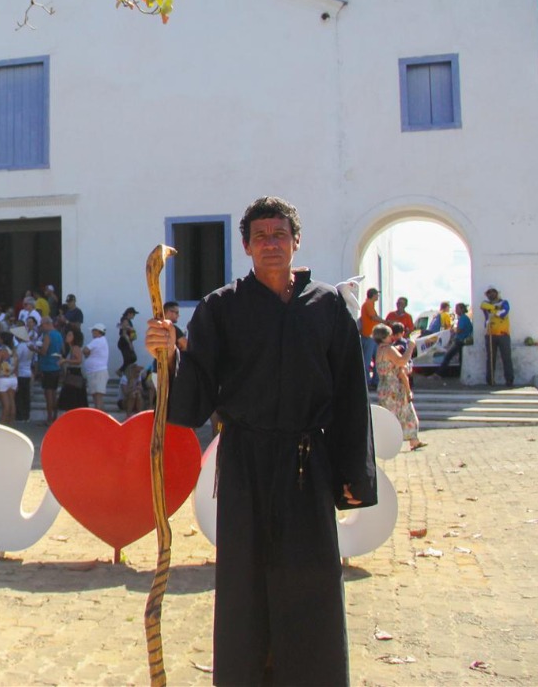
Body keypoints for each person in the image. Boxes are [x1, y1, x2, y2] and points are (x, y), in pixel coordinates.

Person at [146, 195, 376, 686]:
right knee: (245, 584)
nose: (270, 244)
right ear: (247, 247)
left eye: (279, 234)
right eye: (260, 236)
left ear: (296, 241)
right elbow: (195, 399)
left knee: (311, 580)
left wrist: (353, 479)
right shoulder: (220, 308)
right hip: (245, 463)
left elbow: (350, 397)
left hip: (306, 462)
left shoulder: (328, 306)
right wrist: (169, 358)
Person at [373, 324, 426, 450]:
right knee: (407, 413)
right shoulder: (389, 349)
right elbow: (401, 362)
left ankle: (392, 442)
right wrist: (411, 347)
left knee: (389, 416)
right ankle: (412, 439)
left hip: (383, 387)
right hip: (395, 387)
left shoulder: (379, 350)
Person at [480, 287, 514, 387]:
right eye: (488, 293)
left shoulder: (504, 302)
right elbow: (483, 305)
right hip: (490, 334)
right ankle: (490, 380)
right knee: (490, 358)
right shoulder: (486, 303)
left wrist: (493, 310)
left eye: (493, 292)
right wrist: (495, 308)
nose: (491, 294)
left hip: (503, 334)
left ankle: (509, 380)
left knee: (506, 358)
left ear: (497, 293)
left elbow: (503, 313)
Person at [35, 316, 64, 423]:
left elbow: (43, 351)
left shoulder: (48, 335)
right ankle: (55, 416)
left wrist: (35, 349)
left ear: (47, 324)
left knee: (48, 394)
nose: (41, 328)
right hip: (56, 366)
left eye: (42, 325)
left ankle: (49, 418)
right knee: (54, 393)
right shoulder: (59, 335)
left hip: (48, 367)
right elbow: (62, 349)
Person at [436, 303, 473, 376]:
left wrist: (453, 330)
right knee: (460, 358)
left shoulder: (463, 318)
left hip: (460, 340)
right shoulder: (465, 318)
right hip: (462, 340)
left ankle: (439, 374)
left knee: (448, 356)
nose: (455, 310)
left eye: (457, 309)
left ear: (462, 309)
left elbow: (459, 330)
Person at [57, 327, 87, 414]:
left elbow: (79, 360)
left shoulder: (75, 348)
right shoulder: (71, 348)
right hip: (71, 374)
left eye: (70, 335)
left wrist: (66, 360)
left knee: (73, 400)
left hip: (75, 375)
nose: (67, 336)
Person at [0, 331, 18, 424]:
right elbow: (17, 366)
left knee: (5, 405)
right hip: (13, 378)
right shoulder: (14, 351)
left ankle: (2, 425)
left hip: (2, 378)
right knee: (12, 403)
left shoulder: (1, 351)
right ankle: (10, 425)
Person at [83, 323, 111, 409]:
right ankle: (99, 418)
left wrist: (87, 355)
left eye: (93, 331)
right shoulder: (101, 341)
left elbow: (85, 350)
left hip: (97, 372)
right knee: (96, 397)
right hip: (96, 372)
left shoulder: (97, 340)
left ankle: (100, 419)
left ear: (97, 332)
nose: (92, 333)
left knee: (98, 397)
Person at [358, 287, 381, 389]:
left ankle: (375, 381)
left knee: (377, 359)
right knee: (367, 361)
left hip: (373, 337)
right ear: (373, 295)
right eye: (377, 294)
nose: (378, 296)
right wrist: (385, 322)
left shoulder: (370, 305)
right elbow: (373, 317)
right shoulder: (368, 304)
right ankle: (366, 382)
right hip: (368, 336)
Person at [12, 326, 34, 422]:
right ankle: (26, 415)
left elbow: (16, 359)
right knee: (26, 395)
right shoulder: (30, 345)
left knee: (19, 395)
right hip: (28, 372)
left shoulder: (20, 346)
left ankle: (20, 415)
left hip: (20, 372)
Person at [117, 308, 139, 375]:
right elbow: (124, 333)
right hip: (124, 342)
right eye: (133, 314)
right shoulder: (125, 320)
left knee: (132, 358)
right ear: (129, 313)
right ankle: (121, 371)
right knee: (130, 359)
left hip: (126, 341)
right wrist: (129, 343)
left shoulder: (127, 320)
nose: (134, 316)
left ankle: (124, 372)